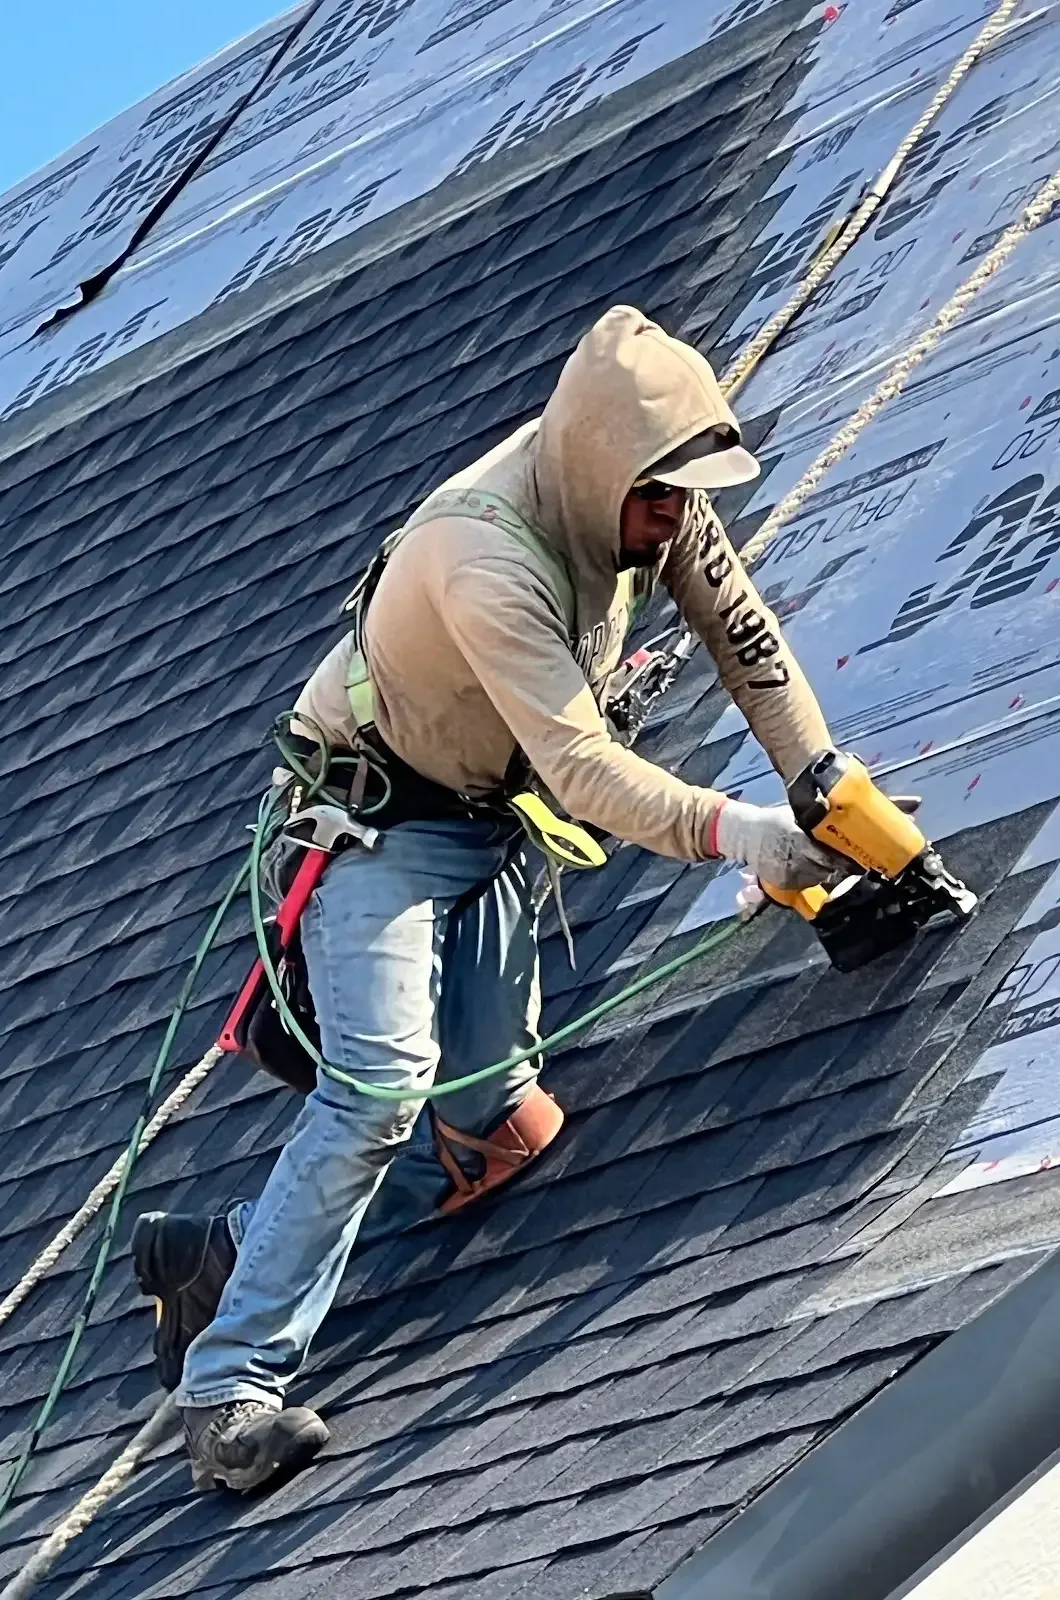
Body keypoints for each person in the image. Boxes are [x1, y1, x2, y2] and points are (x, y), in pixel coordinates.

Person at [131, 305, 842, 1493]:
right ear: (600, 467)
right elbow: (580, 767)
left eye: (683, 499)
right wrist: (743, 835)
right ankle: (227, 1389)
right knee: (381, 1085)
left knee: (497, 1134)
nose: (675, 521)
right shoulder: (486, 556)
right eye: (658, 498)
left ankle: (229, 1253)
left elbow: (747, 639)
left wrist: (821, 787)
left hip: (490, 823)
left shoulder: (648, 498)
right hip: (377, 831)